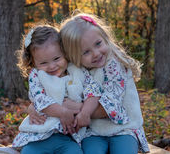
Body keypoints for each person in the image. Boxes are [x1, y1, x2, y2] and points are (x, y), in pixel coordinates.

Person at [60, 13, 150, 154]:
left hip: (124, 129)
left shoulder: (114, 64)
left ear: (105, 38)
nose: (96, 53)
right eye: (86, 52)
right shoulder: (75, 71)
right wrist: (35, 109)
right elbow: (53, 93)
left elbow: (110, 108)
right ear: (73, 56)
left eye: (98, 44)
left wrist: (78, 109)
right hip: (94, 132)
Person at [12, 25, 101, 154]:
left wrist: (85, 112)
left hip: (69, 139)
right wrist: (62, 112)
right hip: (39, 136)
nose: (52, 66)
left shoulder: (77, 71)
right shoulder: (37, 76)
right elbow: (40, 100)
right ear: (32, 62)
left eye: (56, 59)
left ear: (65, 53)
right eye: (43, 63)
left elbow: (93, 91)